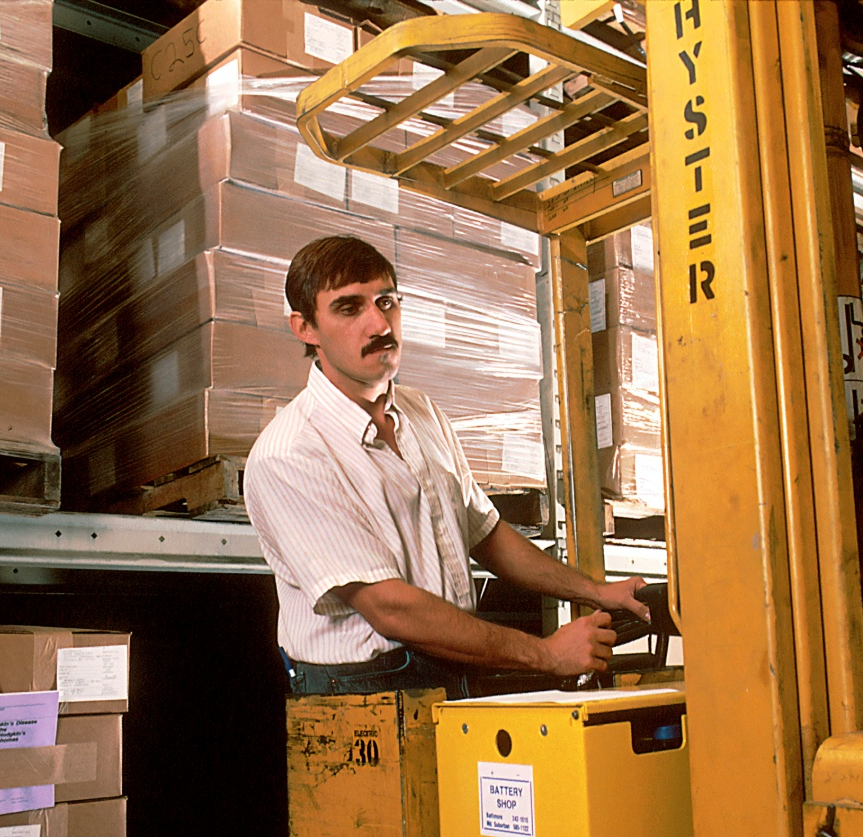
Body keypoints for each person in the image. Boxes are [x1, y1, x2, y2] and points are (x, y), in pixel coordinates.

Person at [247, 235, 650, 698]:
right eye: (349, 308)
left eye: (386, 301)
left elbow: (486, 532)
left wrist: (595, 592)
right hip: (362, 692)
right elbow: (389, 609)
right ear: (305, 328)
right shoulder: (291, 453)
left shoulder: (422, 413)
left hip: (451, 665)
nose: (379, 323)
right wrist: (547, 654)